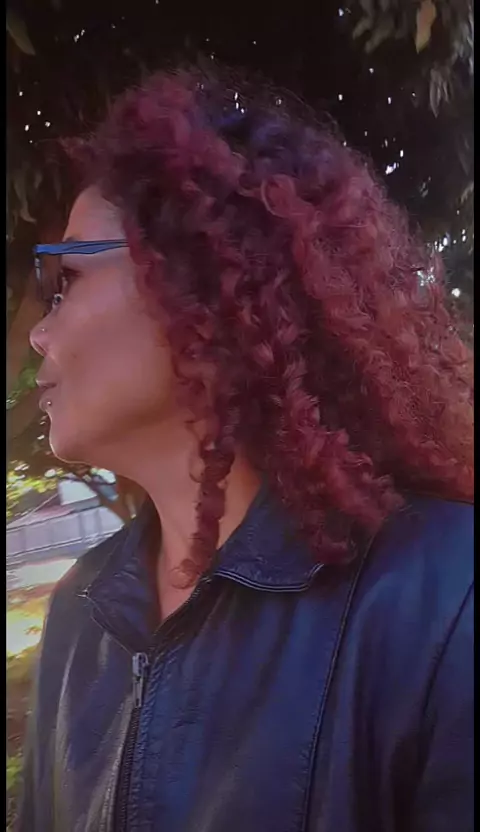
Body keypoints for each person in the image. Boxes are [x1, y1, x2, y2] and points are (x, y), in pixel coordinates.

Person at [19, 67, 473, 832]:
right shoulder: (78, 613)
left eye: (65, 280)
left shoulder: (446, 602)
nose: (38, 333)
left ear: (194, 282)